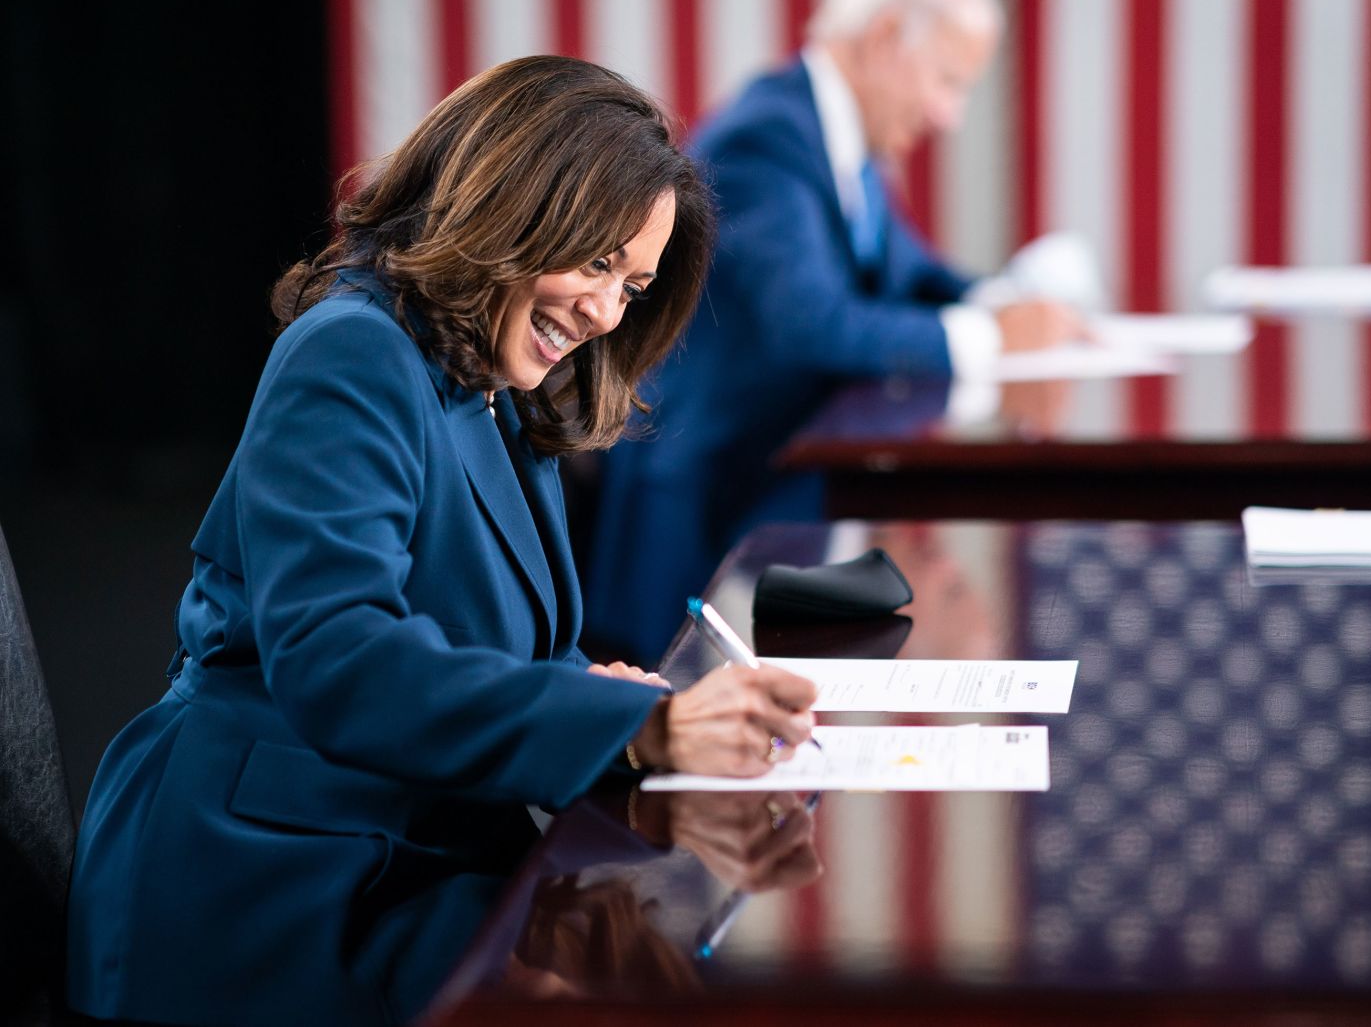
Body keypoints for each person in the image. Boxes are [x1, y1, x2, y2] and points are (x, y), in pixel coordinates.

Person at [65, 56, 817, 1026]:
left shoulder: (494, 380)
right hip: (274, 884)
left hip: (411, 849)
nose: (603, 314)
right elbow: (339, 656)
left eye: (631, 286)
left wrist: (596, 689)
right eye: (595, 264)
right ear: (515, 207)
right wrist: (631, 725)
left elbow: (484, 638)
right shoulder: (353, 353)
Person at [585, 0, 1083, 665]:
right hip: (701, 508)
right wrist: (997, 336)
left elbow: (915, 276)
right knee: (665, 734)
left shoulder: (839, 140)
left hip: (772, 492)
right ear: (883, 41)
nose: (949, 114)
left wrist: (1016, 309)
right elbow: (813, 324)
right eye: (945, 79)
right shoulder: (769, 137)